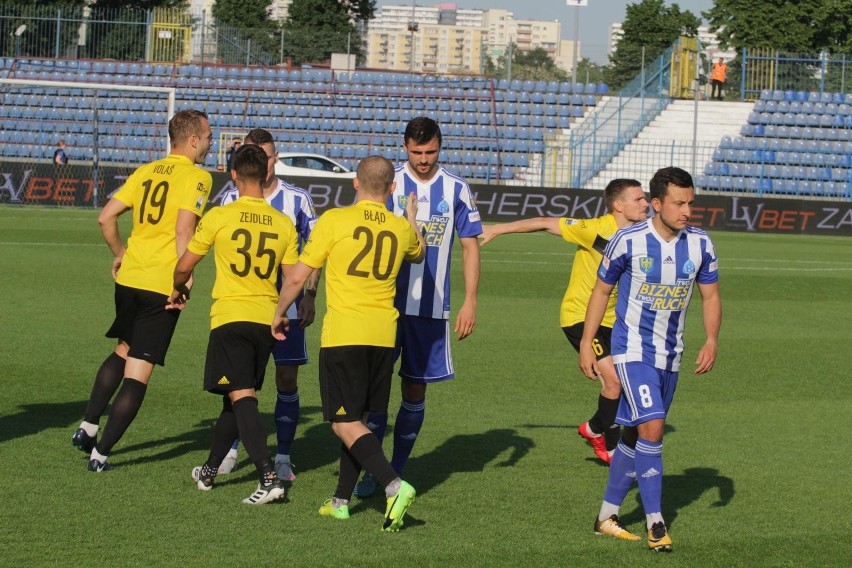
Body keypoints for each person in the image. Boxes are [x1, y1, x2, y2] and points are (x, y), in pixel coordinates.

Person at [271, 155, 425, 530]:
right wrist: (410, 216)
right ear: (391, 188)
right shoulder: (400, 228)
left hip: (345, 334)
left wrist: (278, 312)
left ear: (354, 183)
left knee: (343, 423)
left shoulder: (334, 220)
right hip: (384, 335)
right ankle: (341, 500)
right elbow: (418, 251)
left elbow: (297, 278)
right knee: (361, 423)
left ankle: (393, 485)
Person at [579, 167, 722, 552]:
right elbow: (601, 291)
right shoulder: (627, 240)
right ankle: (655, 523)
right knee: (654, 427)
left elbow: (710, 296)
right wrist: (587, 341)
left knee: (633, 434)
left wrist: (711, 339)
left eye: (690, 202)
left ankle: (606, 516)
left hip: (670, 355)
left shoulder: (701, 244)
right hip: (631, 350)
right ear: (657, 204)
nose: (687, 210)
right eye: (679, 203)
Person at [70, 109, 213, 471]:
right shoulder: (198, 178)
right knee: (139, 370)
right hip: (160, 284)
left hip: (130, 278)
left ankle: (87, 427)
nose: (211, 143)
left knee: (123, 349)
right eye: (209, 137)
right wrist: (184, 276)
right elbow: (184, 230)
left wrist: (121, 254)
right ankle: (101, 455)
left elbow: (106, 217)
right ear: (193, 139)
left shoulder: (146, 170)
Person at [354, 116, 482, 498]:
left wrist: (470, 301)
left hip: (431, 310)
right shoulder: (387, 185)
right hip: (384, 305)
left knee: (414, 390)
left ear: (440, 146)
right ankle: (370, 470)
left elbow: (470, 245)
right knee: (374, 392)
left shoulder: (456, 188)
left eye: (430, 152)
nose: (424, 159)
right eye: (416, 152)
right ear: (404, 147)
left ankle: (398, 468)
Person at [478, 179, 649, 464]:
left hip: (615, 321)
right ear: (618, 205)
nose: (645, 204)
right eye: (639, 199)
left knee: (619, 385)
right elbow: (545, 223)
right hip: (580, 317)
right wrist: (498, 228)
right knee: (614, 381)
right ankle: (611, 448)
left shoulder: (642, 235)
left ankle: (594, 428)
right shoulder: (594, 229)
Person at [169, 143, 298, 505]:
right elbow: (292, 279)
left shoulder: (220, 216)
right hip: (265, 321)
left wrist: (178, 289)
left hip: (231, 316)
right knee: (234, 398)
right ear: (266, 174)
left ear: (234, 175)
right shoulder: (283, 223)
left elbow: (183, 266)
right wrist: (283, 310)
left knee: (242, 396)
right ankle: (210, 470)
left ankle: (268, 476)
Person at [216, 128, 321, 481]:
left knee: (287, 378)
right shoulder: (229, 199)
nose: (265, 162)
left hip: (287, 310)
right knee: (236, 383)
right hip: (244, 308)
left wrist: (309, 295)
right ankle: (230, 450)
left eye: (270, 156)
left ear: (276, 158)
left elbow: (314, 251)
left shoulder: (298, 200)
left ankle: (284, 456)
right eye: (258, 156)